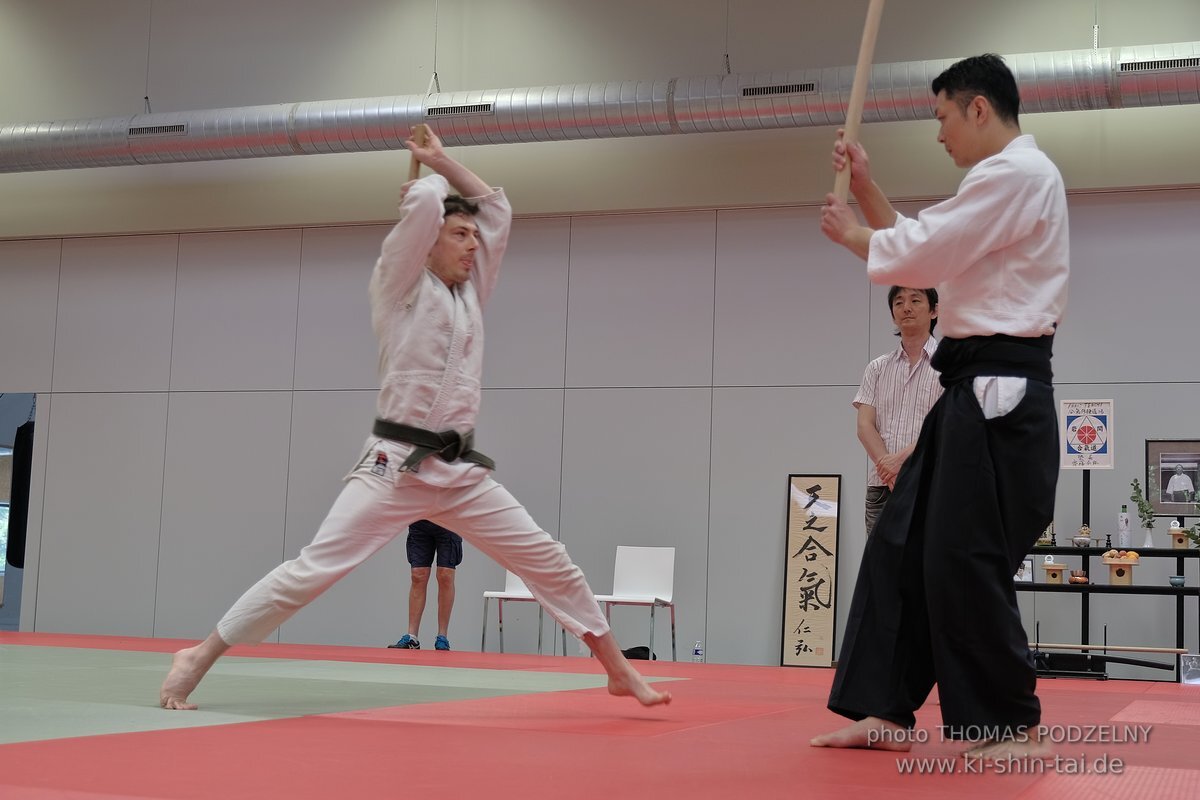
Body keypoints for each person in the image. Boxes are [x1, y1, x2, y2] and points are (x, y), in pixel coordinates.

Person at [160, 128, 670, 711]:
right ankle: (198, 656)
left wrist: (445, 161)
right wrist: (426, 175)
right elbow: (427, 204)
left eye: (474, 237)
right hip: (393, 469)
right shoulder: (399, 282)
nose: (472, 245)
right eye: (459, 235)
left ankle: (616, 670)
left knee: (548, 559)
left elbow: (498, 208)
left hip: (461, 474)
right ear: (425, 241)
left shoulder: (470, 293)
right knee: (313, 570)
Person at [814, 54, 1068, 760]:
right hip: (969, 396)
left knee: (963, 558)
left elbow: (922, 250)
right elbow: (928, 250)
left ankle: (1009, 723)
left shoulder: (1017, 174)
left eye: (943, 117)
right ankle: (885, 710)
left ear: (978, 108)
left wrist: (854, 235)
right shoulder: (1001, 185)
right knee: (901, 547)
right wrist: (865, 189)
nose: (939, 134)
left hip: (1001, 401)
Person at [854, 286, 942, 536]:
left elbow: (947, 427)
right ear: (893, 314)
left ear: (934, 310)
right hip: (882, 486)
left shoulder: (951, 368)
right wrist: (888, 468)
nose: (906, 307)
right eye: (899, 302)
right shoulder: (877, 368)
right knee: (881, 570)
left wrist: (899, 461)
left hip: (930, 484)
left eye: (915, 300)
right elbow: (864, 426)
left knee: (928, 569)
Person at [389, 519, 463, 651]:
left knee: (445, 575)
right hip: (421, 519)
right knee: (418, 574)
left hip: (449, 518)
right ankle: (412, 637)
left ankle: (442, 637)